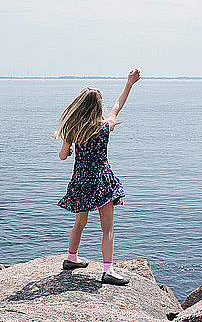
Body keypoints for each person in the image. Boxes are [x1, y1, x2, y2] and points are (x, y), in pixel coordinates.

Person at [55, 69, 141, 285]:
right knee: (108, 227)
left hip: (81, 180)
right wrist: (129, 84)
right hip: (102, 181)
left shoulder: (72, 129)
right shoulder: (105, 127)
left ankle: (71, 258)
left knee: (80, 222)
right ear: (98, 107)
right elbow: (117, 107)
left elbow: (63, 156)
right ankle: (108, 270)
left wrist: (71, 147)